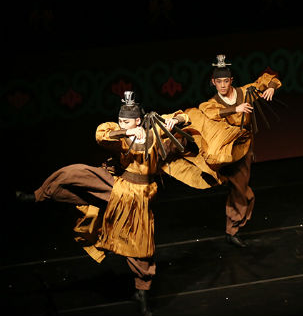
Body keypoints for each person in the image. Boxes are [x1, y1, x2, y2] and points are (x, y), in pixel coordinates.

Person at [16, 91, 189, 316]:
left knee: (140, 250)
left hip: (140, 196)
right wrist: (126, 130)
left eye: (127, 121)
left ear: (138, 119)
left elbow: (184, 116)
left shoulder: (155, 130)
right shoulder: (121, 134)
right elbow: (101, 134)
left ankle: (142, 294)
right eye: (120, 120)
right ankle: (38, 195)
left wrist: (176, 119)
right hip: (117, 185)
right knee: (74, 173)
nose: (122, 123)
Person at [167, 54, 282, 247]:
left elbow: (269, 78)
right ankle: (208, 170)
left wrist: (271, 87)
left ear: (231, 81)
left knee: (242, 191)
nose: (222, 85)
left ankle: (232, 229)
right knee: (206, 157)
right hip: (220, 150)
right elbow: (208, 112)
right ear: (213, 82)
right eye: (218, 81)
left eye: (226, 81)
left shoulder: (245, 92)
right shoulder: (211, 103)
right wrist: (235, 110)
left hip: (241, 150)